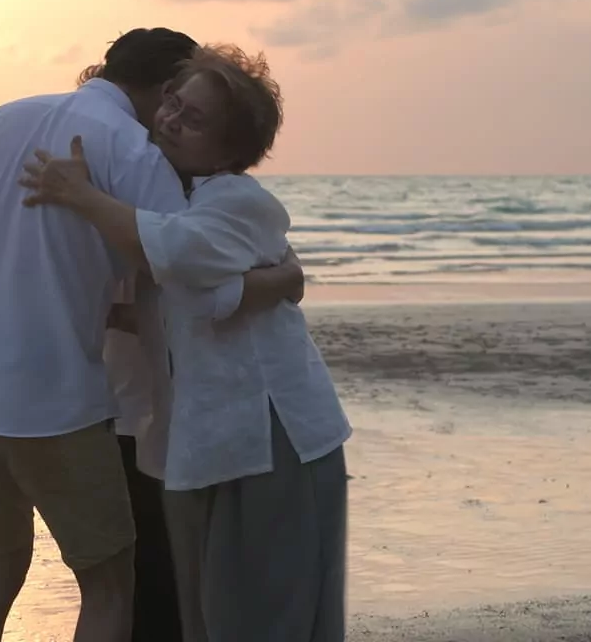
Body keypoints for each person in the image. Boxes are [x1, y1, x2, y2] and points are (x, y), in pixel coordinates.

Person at [19, 44, 353, 642]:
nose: (170, 119)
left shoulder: (236, 199)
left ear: (228, 151)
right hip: (205, 438)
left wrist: (80, 195)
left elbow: (179, 260)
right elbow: (178, 298)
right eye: (173, 102)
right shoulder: (180, 196)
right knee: (209, 613)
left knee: (266, 613)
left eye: (193, 118)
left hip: (272, 432)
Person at [0, 28, 228, 642]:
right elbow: (187, 265)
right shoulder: (132, 149)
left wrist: (12, 257)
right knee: (107, 584)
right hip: (53, 403)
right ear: (169, 87)